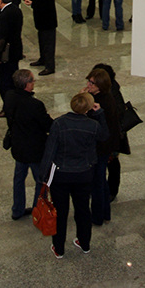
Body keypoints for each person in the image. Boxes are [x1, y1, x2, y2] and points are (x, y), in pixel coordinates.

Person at [40, 92, 108, 258]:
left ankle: (59, 248)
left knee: (60, 212)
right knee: (83, 210)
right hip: (84, 174)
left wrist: (43, 176)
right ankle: (84, 244)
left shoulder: (59, 124)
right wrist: (100, 113)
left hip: (61, 175)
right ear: (88, 108)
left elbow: (49, 152)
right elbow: (105, 136)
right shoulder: (93, 125)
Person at [3, 69, 53, 220]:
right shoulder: (35, 104)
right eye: (32, 81)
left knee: (19, 178)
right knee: (40, 180)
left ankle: (17, 210)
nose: (34, 83)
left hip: (18, 146)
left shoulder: (9, 96)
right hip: (35, 150)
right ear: (26, 84)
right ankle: (38, 210)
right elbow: (48, 126)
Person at [84, 68, 121, 226]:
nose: (88, 85)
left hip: (100, 149)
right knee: (101, 182)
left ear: (100, 85)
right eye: (89, 81)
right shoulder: (104, 97)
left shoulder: (101, 103)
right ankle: (105, 213)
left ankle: (97, 216)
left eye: (92, 83)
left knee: (97, 184)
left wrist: (82, 96)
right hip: (103, 147)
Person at [93, 63, 129, 203]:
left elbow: (118, 112)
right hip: (103, 135)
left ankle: (111, 190)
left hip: (112, 136)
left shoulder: (111, 92)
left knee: (112, 163)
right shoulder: (100, 90)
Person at [0, 0, 23, 118]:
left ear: (0, 0)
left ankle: (7, 108)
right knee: (13, 80)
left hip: (7, 54)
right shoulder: (17, 10)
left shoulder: (4, 15)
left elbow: (2, 38)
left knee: (5, 83)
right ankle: (15, 106)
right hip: (15, 51)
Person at [22, 0, 57, 75]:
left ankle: (50, 66)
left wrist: (32, 3)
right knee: (42, 42)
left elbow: (44, 5)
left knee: (48, 44)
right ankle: (43, 59)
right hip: (42, 22)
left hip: (47, 22)